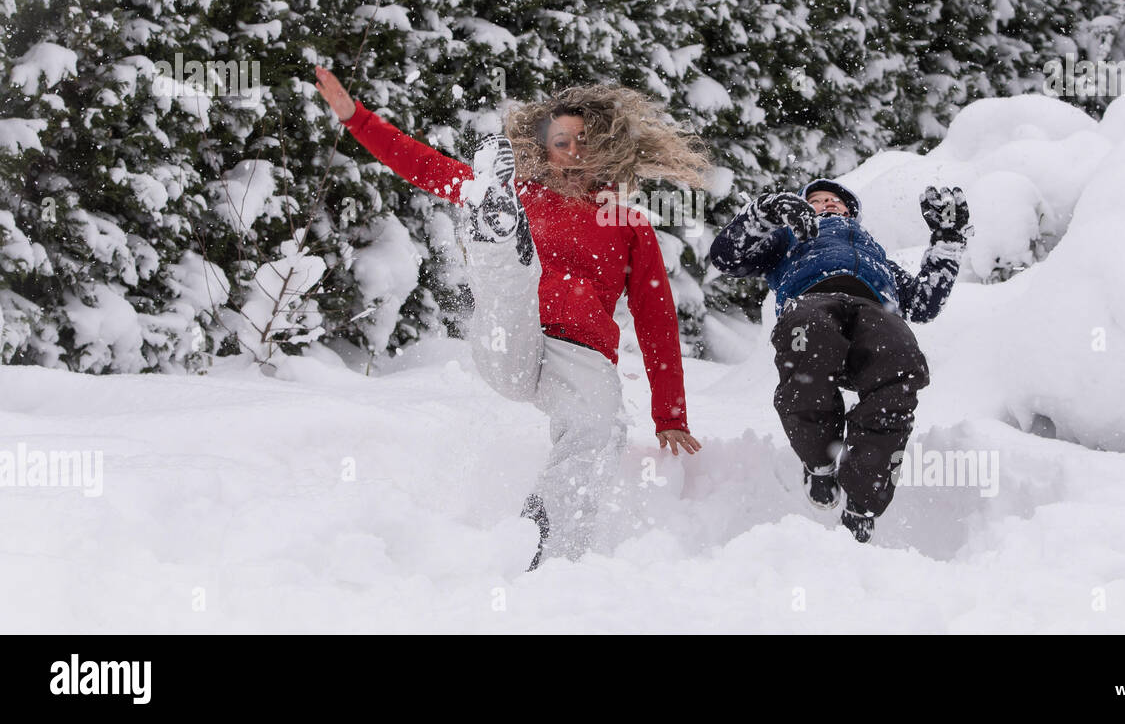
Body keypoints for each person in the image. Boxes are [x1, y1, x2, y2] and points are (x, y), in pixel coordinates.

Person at [314, 67, 709, 569]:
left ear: (603, 146)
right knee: (510, 278)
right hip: (511, 328)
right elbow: (426, 167)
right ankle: (495, 229)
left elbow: (657, 320)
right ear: (542, 148)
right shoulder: (525, 193)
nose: (570, 151)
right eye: (559, 141)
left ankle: (544, 536)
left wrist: (669, 414)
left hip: (580, 354)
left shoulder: (625, 220)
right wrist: (357, 119)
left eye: (582, 141)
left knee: (602, 425)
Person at [709, 179, 971, 543]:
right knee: (809, 344)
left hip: (876, 310)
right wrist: (767, 212)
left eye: (835, 201)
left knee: (903, 364)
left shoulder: (876, 256)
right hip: (812, 299)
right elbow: (726, 257)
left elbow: (924, 303)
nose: (827, 204)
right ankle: (819, 463)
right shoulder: (788, 243)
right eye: (815, 201)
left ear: (850, 213)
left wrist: (948, 240)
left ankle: (862, 503)